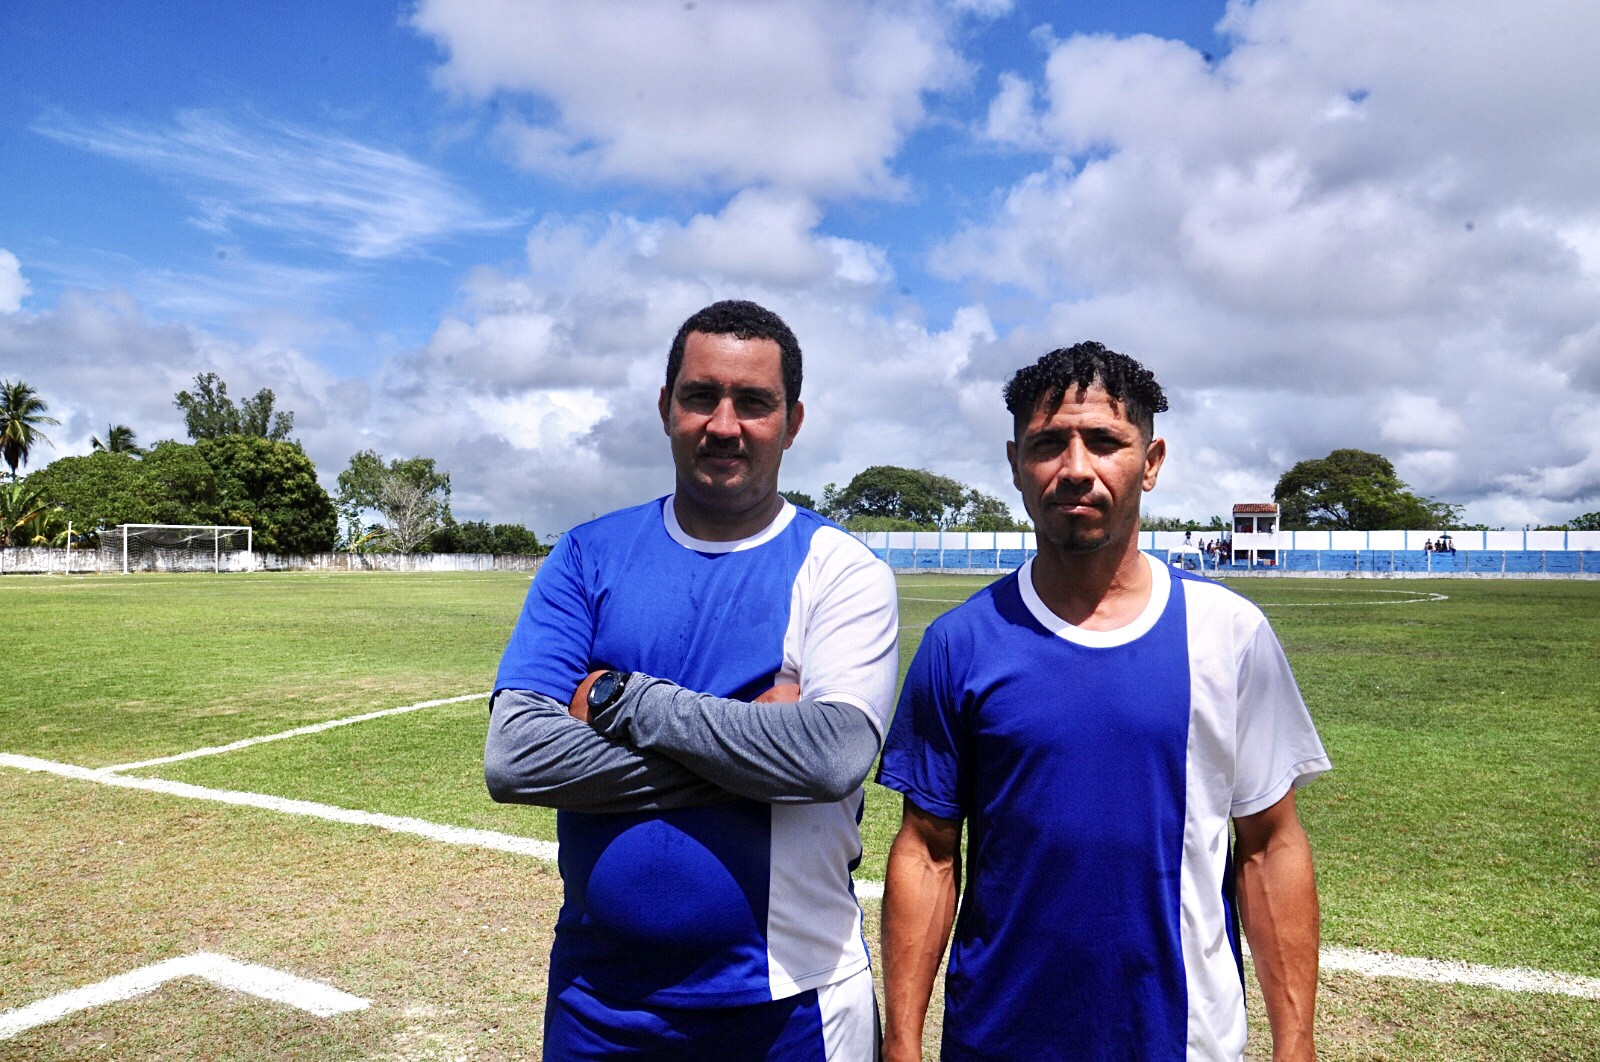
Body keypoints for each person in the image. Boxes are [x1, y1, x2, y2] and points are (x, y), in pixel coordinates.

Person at [877, 341, 1331, 1061]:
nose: (1076, 468)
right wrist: (901, 1044)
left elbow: (1269, 846)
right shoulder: (959, 643)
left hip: (1184, 1041)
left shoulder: (1230, 634)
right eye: (1049, 443)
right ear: (1017, 463)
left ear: (1150, 462)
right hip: (998, 1040)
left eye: (1105, 442)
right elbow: (928, 854)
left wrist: (1296, 1045)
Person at [486, 299, 898, 1060]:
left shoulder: (842, 570)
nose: (724, 423)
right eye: (701, 396)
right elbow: (516, 756)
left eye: (754, 402)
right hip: (597, 1002)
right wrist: (762, 749)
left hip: (792, 1006)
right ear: (665, 407)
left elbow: (832, 757)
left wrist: (621, 698)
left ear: (794, 420)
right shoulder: (587, 555)